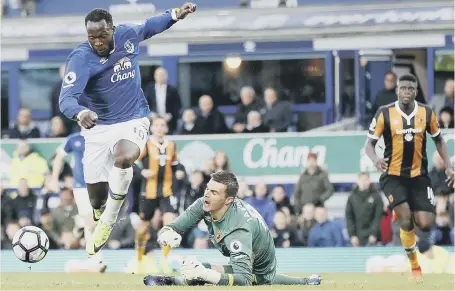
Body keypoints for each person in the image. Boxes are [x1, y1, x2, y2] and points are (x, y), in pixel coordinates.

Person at [58, 4, 197, 255]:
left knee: (124, 157)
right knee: (96, 200)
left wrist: (176, 14)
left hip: (133, 118)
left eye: (102, 36)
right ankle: (102, 212)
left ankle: (108, 222)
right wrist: (81, 112)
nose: (97, 42)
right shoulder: (79, 58)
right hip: (98, 127)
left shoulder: (127, 35)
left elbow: (150, 26)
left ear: (112, 29)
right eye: (92, 37)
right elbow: (66, 99)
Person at [144, 171, 321, 286]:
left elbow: (243, 279)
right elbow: (174, 226)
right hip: (243, 254)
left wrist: (207, 275)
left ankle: (305, 282)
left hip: (259, 267)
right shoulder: (203, 204)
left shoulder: (239, 228)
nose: (206, 194)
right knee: (201, 268)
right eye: (207, 189)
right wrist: (166, 234)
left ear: (228, 200)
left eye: (214, 192)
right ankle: (170, 281)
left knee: (255, 279)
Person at [365, 74, 454, 280]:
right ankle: (415, 266)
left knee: (425, 223)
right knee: (405, 220)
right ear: (397, 90)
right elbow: (368, 144)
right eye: (403, 88)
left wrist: (448, 167)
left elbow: (439, 141)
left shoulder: (427, 113)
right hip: (393, 176)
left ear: (416, 91)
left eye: (411, 89)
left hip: (419, 177)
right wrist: (376, 159)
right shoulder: (384, 113)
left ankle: (404, 209)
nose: (406, 92)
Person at [135, 116, 183, 273]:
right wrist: (142, 171)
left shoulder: (172, 145)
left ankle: (165, 261)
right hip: (148, 192)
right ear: (152, 128)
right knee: (143, 228)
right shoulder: (146, 145)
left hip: (167, 192)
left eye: (163, 125)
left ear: (167, 128)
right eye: (157, 125)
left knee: (169, 225)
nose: (160, 128)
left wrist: (181, 171)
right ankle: (139, 259)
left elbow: (176, 164)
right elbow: (133, 162)